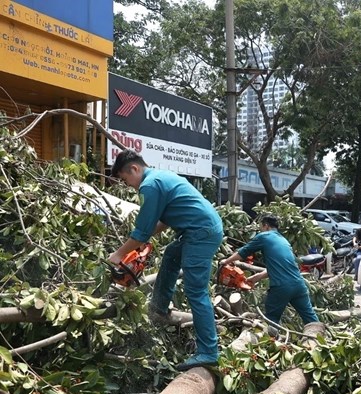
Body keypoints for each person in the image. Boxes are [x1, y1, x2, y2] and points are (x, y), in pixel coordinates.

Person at [108, 149, 223, 371]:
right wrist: (144, 242)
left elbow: (142, 231)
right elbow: (158, 224)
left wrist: (119, 254)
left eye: (126, 179)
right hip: (199, 229)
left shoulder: (149, 185)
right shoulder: (160, 177)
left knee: (196, 291)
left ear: (134, 168)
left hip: (200, 233)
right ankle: (159, 308)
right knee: (171, 254)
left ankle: (209, 352)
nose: (128, 185)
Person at [221, 214, 319, 326]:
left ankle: (272, 341)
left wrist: (226, 261)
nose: (260, 230)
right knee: (311, 319)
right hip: (299, 285)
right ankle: (318, 337)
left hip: (281, 286)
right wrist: (256, 277)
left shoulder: (264, 236)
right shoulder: (284, 241)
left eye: (261, 227)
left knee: (271, 320)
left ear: (266, 226)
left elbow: (243, 252)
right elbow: (280, 266)